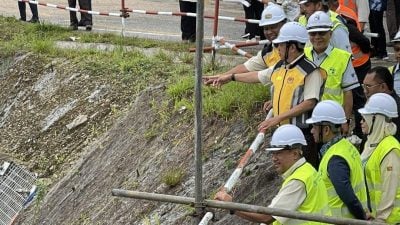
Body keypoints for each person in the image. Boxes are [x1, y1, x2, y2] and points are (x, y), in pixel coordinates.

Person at [204, 22, 325, 168]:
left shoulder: (310, 71)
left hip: (303, 136)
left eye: (280, 45)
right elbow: (257, 75)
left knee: (305, 177)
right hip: (285, 133)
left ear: (292, 47)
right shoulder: (281, 66)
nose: (277, 49)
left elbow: (309, 103)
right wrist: (230, 77)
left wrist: (277, 118)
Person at [215, 124, 331, 224]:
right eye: (273, 154)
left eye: (278, 153)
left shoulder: (298, 181)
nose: (274, 159)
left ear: (295, 154)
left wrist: (232, 206)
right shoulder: (307, 170)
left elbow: (267, 217)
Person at [306, 100, 368, 219]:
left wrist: (363, 217)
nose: (312, 130)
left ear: (326, 130)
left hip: (341, 219)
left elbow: (348, 197)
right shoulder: (346, 146)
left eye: (314, 126)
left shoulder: (335, 159)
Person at [304, 11, 359, 135]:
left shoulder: (343, 58)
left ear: (330, 33)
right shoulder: (303, 55)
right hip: (307, 119)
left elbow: (348, 93)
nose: (317, 37)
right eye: (313, 33)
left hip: (333, 120)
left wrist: (346, 120)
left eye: (322, 33)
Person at [203, 3, 286, 81]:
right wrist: (221, 77)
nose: (269, 32)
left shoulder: (293, 48)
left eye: (273, 27)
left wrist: (231, 77)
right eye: (266, 28)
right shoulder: (268, 51)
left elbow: (265, 75)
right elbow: (246, 67)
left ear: (284, 24)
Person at [358, 93, 400, 223]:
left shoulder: (390, 149)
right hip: (375, 217)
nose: (361, 122)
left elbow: (389, 190)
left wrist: (381, 219)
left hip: (390, 221)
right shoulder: (371, 144)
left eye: (365, 118)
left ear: (376, 119)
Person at [335, 5, 371, 143]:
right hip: (354, 63)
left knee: (358, 99)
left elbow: (362, 40)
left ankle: (359, 132)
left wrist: (367, 51)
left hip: (358, 64)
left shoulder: (342, 20)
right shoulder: (342, 11)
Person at [362, 66, 400, 141]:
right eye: (363, 86)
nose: (365, 91)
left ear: (383, 87)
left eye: (368, 86)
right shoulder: (376, 106)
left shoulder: (393, 111)